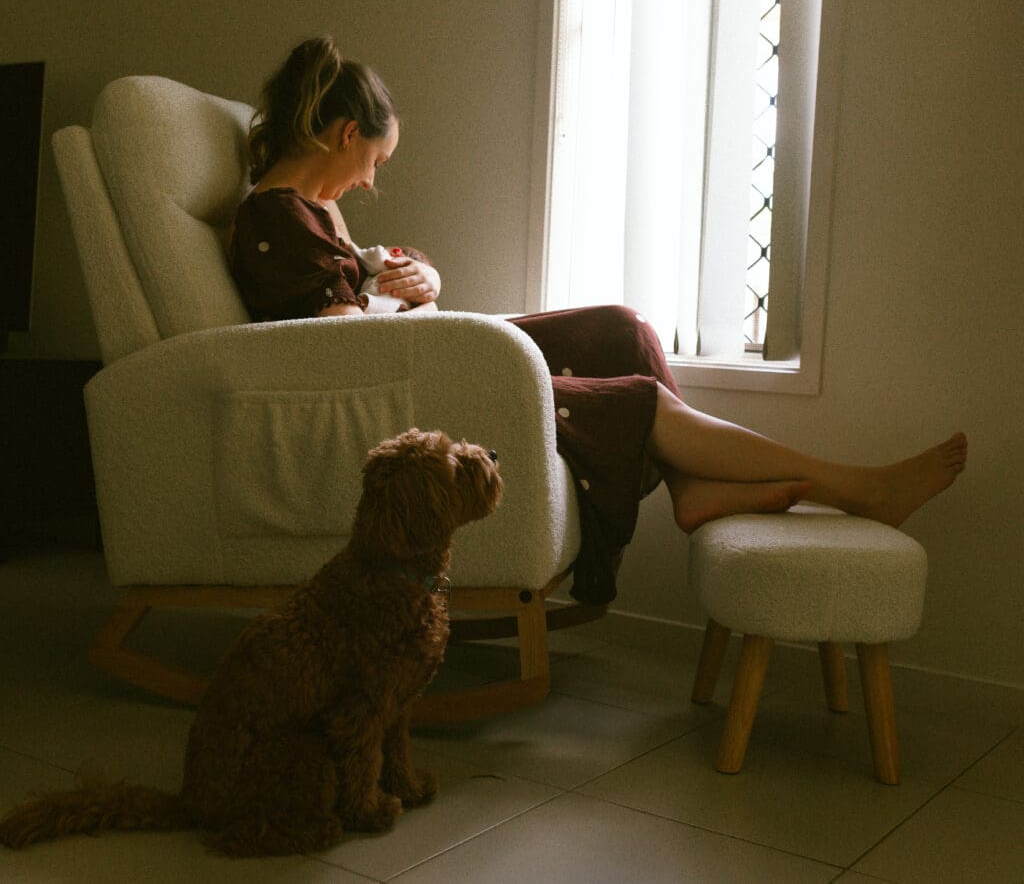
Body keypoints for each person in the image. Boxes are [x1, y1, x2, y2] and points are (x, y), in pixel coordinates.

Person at [228, 35, 967, 605]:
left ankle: (692, 489)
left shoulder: (313, 210)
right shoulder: (273, 217)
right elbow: (335, 343)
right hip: (411, 389)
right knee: (637, 404)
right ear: (344, 132)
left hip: (422, 350)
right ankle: (851, 486)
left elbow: (362, 272)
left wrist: (426, 276)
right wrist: (396, 297)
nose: (370, 179)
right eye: (373, 161)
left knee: (619, 327)